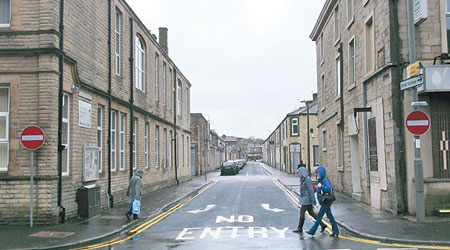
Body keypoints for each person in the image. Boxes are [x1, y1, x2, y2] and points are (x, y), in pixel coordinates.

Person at [306, 166, 339, 237]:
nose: (317, 175)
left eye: (317, 173)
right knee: (330, 216)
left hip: (326, 201)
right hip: (324, 201)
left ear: (321, 173)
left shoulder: (325, 180)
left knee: (319, 217)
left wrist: (321, 187)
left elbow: (329, 188)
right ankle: (336, 230)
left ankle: (312, 231)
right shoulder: (321, 180)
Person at [292, 166, 327, 233]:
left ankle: (300, 228)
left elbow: (311, 190)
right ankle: (323, 225)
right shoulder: (303, 179)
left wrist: (313, 200)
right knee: (311, 213)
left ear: (302, 172)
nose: (298, 175)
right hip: (305, 198)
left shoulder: (307, 179)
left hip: (307, 199)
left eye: (298, 173)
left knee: (302, 211)